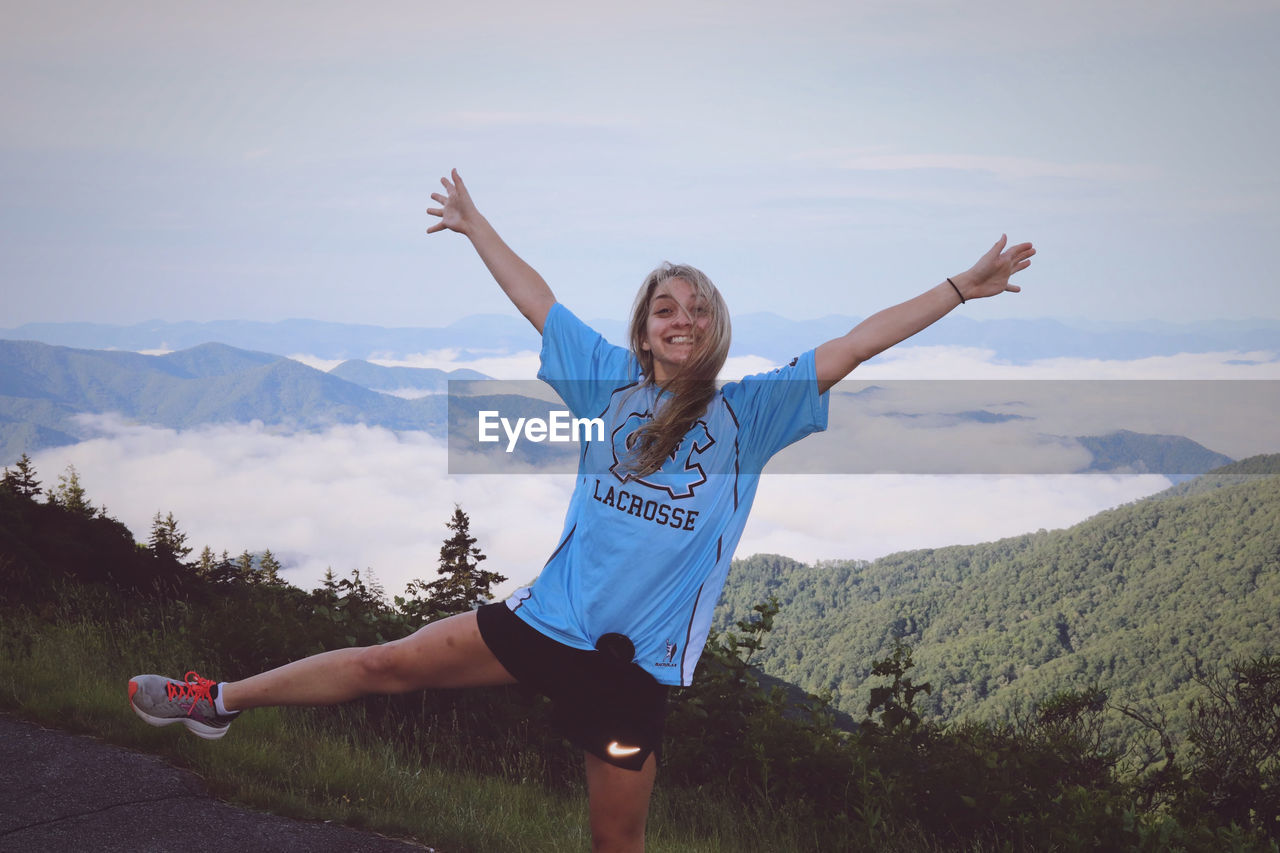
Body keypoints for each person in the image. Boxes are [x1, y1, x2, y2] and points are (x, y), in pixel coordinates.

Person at [129, 169, 1034, 852]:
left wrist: (960, 287)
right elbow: (538, 301)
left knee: (614, 844)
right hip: (541, 621)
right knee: (380, 664)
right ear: (644, 330)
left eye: (698, 308)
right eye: (665, 308)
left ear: (716, 331)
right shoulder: (606, 384)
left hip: (628, 671)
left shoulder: (750, 416)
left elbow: (853, 345)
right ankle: (218, 699)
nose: (681, 317)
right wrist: (476, 224)